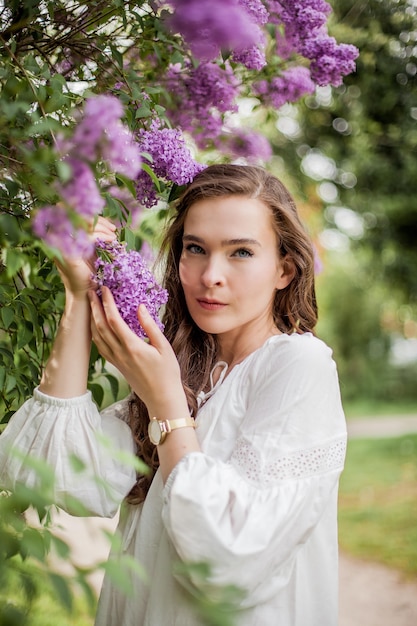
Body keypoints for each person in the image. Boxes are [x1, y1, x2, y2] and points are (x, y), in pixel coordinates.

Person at [0, 164, 347, 626]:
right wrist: (78, 294)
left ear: (284, 269)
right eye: (195, 249)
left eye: (241, 252)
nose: (210, 276)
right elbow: (49, 472)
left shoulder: (298, 366)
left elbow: (229, 559)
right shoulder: (185, 370)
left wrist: (167, 405)